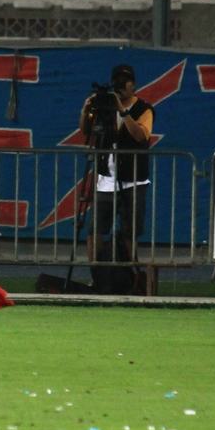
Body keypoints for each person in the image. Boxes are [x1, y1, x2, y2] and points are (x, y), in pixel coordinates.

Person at [78, 64, 154, 273]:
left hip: (133, 179)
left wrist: (122, 111)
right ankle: (97, 276)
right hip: (106, 178)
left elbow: (140, 136)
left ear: (133, 85)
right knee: (95, 231)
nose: (121, 85)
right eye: (117, 81)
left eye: (125, 82)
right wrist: (86, 110)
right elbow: (86, 130)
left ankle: (132, 277)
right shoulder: (105, 108)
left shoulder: (144, 109)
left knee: (129, 232)